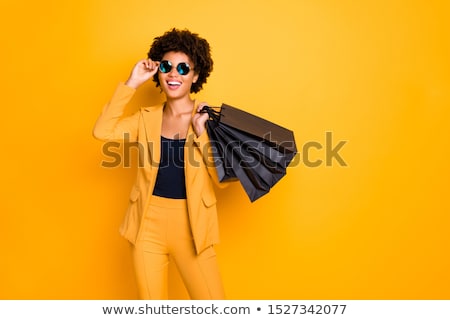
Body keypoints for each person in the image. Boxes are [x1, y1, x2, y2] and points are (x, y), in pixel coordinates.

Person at [93, 28, 230, 299]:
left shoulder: (208, 121)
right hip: (146, 226)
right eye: (166, 66)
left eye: (183, 68)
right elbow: (102, 132)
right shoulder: (145, 119)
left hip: (193, 229)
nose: (173, 74)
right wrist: (131, 83)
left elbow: (221, 178)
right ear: (158, 71)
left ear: (196, 75)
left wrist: (202, 134)